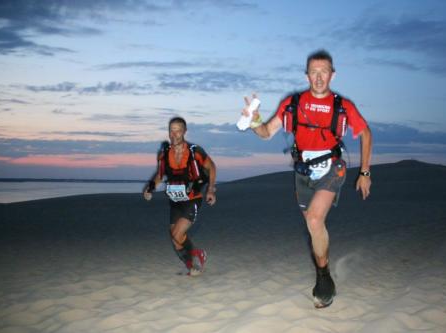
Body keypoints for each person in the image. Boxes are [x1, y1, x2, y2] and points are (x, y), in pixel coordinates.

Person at [242, 49, 372, 308]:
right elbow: (266, 132)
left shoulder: (342, 106)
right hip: (302, 172)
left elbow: (365, 134)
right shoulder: (292, 103)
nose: (319, 76)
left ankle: (323, 280)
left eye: (324, 71)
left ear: (332, 75)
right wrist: (254, 120)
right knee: (314, 228)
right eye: (314, 71)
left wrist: (365, 172)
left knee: (314, 219)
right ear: (307, 75)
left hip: (333, 168)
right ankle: (323, 271)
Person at [143, 116, 217, 276]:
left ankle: (196, 259)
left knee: (178, 234)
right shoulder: (164, 154)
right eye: (171, 130)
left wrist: (210, 189)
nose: (174, 134)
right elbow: (160, 174)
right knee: (175, 238)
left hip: (192, 199)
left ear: (184, 131)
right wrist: (150, 187)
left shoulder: (194, 151)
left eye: (178, 130)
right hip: (175, 201)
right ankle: (191, 264)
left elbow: (211, 167)